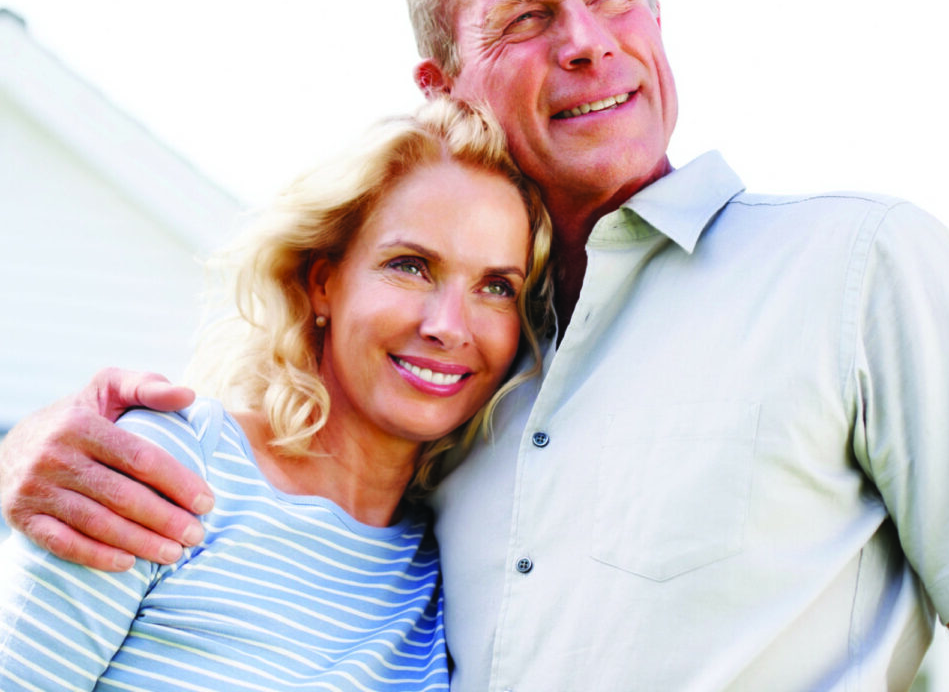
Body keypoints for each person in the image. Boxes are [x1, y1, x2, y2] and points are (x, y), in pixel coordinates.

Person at [2, 0, 949, 690]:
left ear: (657, 23)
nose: (585, 42)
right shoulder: (472, 384)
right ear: (443, 83)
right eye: (526, 17)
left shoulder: (854, 264)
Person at [0, 97, 553, 690]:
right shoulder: (171, 465)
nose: (448, 325)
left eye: (496, 287)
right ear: (323, 283)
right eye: (411, 265)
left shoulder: (456, 569)